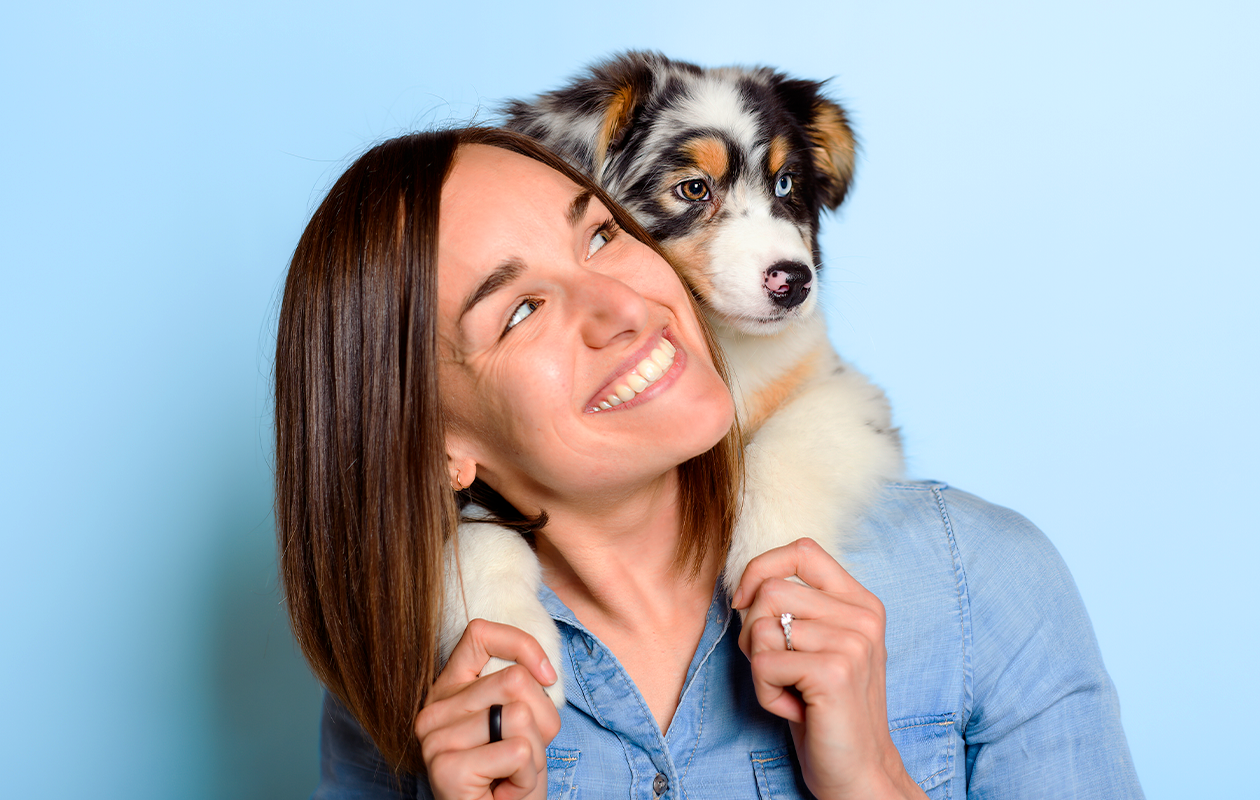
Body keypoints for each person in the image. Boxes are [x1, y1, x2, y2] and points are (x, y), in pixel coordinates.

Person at [274, 127, 1144, 799]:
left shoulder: (975, 580)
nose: (622, 304)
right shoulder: (404, 679)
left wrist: (873, 779)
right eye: (522, 310)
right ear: (438, 447)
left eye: (603, 236)